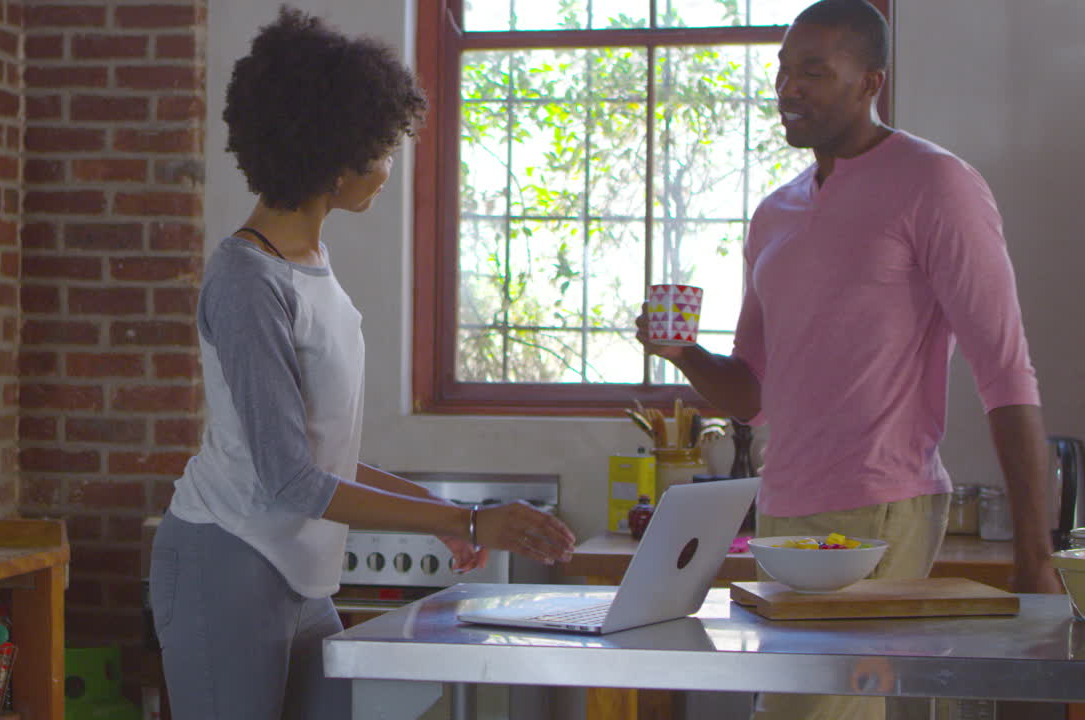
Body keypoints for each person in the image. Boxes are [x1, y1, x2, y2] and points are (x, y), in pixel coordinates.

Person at [149, 8, 576, 720]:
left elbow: (326, 455)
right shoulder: (246, 281)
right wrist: (469, 522)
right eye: (383, 147)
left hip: (299, 577)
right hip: (225, 563)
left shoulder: (309, 263)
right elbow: (291, 479)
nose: (388, 164)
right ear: (334, 158)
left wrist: (445, 516)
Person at [636, 1, 1058, 718]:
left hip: (881, 502)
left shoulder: (936, 184)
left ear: (870, 82)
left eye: (813, 72)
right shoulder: (776, 212)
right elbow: (751, 396)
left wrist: (1034, 556)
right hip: (783, 508)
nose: (787, 88)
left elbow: (1006, 372)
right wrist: (682, 353)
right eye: (781, 71)